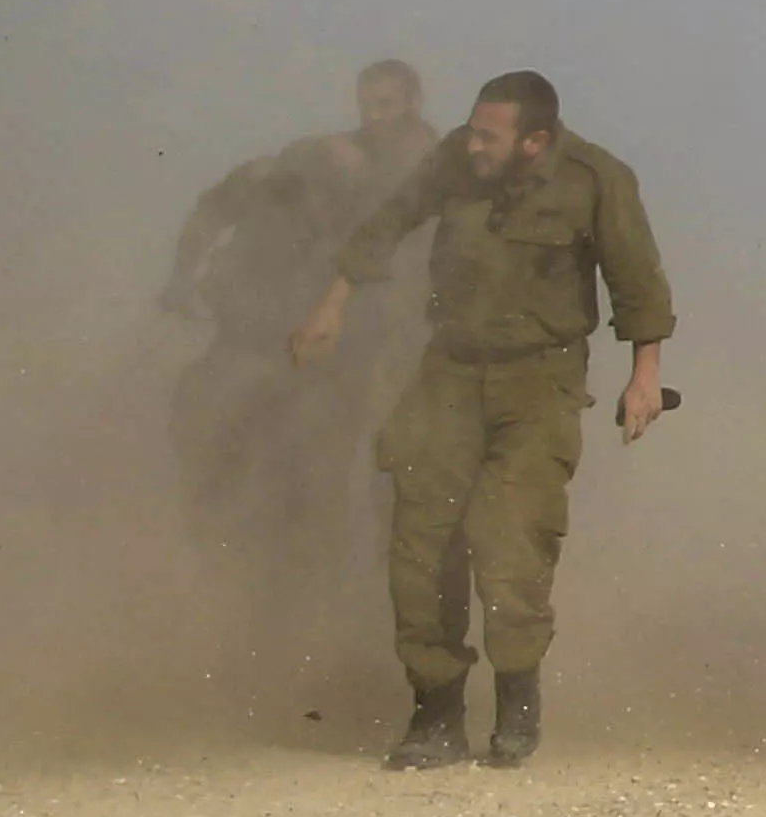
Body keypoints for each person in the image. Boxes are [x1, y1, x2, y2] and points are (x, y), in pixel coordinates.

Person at [295, 71, 673, 772]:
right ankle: (435, 712)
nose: (472, 145)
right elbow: (392, 216)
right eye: (471, 130)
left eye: (487, 137)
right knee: (420, 537)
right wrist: (334, 300)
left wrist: (644, 376)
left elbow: (637, 280)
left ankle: (516, 700)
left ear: (535, 142)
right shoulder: (455, 161)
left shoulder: (596, 179)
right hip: (451, 369)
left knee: (511, 541)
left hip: (540, 379)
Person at [158, 59, 438, 621]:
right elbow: (219, 207)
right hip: (300, 337)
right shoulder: (324, 159)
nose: (374, 116)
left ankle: (361, 598)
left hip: (379, 340)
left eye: (387, 105)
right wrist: (182, 280)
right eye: (368, 104)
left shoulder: (435, 168)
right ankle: (270, 588)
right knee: (277, 457)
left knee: (378, 470)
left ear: (412, 103)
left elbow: (417, 262)